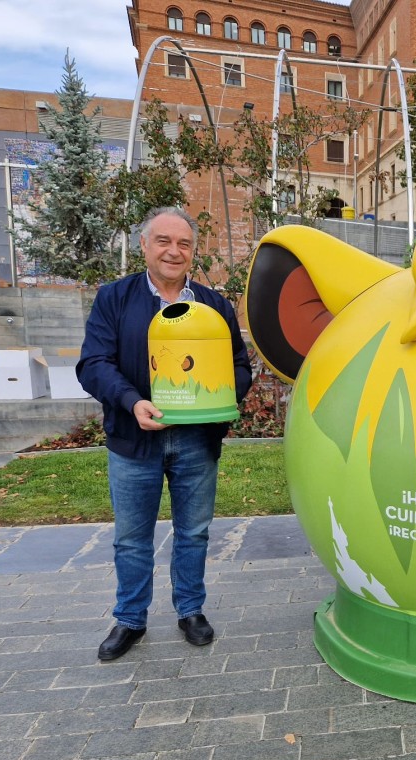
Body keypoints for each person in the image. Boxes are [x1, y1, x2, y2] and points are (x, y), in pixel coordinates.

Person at [78, 206, 252, 662]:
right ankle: (131, 618)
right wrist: (132, 401)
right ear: (144, 246)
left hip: (196, 441)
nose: (174, 251)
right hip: (135, 439)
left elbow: (239, 365)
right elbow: (94, 364)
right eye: (164, 241)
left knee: (193, 531)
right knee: (131, 537)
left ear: (193, 250)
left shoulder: (213, 306)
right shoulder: (114, 299)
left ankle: (190, 610)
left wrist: (219, 399)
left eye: (184, 243)